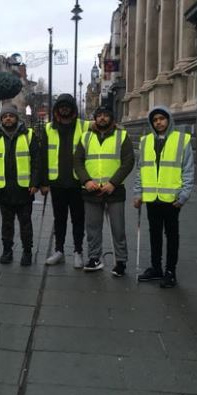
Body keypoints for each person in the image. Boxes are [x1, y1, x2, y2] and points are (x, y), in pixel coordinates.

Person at [133, 106, 194, 288]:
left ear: (169, 120)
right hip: (152, 198)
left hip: (172, 199)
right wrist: (138, 193)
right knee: (154, 234)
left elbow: (188, 170)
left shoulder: (181, 140)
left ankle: (170, 271)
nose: (158, 122)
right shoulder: (145, 142)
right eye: (155, 120)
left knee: (172, 235)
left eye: (162, 118)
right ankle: (156, 267)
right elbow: (140, 170)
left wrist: (183, 196)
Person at [74, 106, 134, 276]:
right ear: (95, 118)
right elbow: (77, 161)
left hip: (114, 191)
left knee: (118, 228)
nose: (101, 118)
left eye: (105, 115)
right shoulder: (85, 137)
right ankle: (94, 258)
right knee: (92, 228)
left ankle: (121, 261)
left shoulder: (122, 136)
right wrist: (86, 181)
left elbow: (128, 162)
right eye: (99, 115)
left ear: (111, 119)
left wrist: (113, 183)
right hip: (91, 190)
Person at [40, 93, 90, 268]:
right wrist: (44, 182)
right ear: (56, 110)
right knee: (59, 219)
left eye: (67, 106)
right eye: (61, 106)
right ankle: (59, 250)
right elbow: (43, 156)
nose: (64, 109)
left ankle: (78, 251)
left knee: (78, 219)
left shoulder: (84, 127)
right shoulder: (48, 128)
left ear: (73, 109)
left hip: (78, 182)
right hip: (57, 182)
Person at [0, 104, 40, 266]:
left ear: (16, 118)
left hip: (24, 188)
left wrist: (34, 182)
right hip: (4, 188)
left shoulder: (28, 135)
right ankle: (7, 250)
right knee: (7, 223)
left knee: (25, 223)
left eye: (10, 116)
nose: (8, 118)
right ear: (1, 119)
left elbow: (37, 161)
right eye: (4, 116)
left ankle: (27, 251)